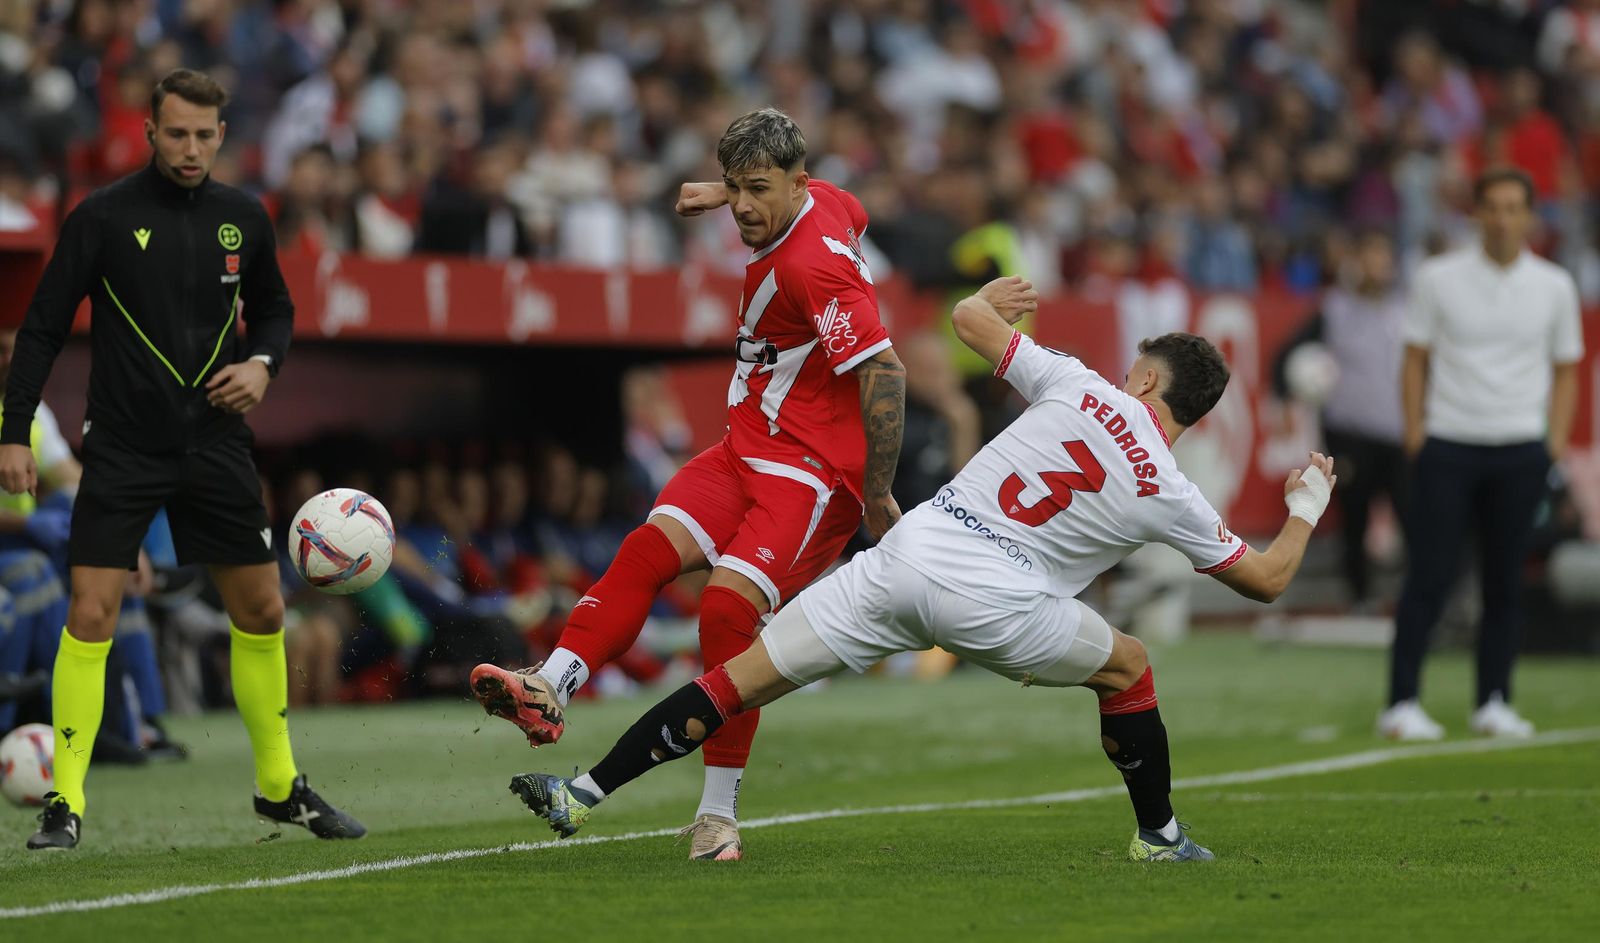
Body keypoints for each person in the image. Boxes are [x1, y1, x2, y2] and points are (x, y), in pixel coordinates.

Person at [504, 276, 1336, 863]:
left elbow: (968, 324)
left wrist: (990, 302)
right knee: (1129, 665)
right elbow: (1265, 580)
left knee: (738, 679)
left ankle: (582, 791)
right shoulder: (1173, 491)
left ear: (1146, 377)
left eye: (1135, 371)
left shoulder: (1078, 385)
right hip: (1003, 605)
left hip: (909, 553)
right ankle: (1159, 837)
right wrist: (1305, 505)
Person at [470, 108, 905, 861]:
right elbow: (839, 200)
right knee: (646, 551)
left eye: (756, 190)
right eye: (736, 187)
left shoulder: (814, 266)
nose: (741, 206)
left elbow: (885, 372)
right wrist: (724, 187)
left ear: (796, 184)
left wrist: (877, 494)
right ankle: (551, 686)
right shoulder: (825, 200)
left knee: (726, 612)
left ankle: (717, 815)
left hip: (811, 476)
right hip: (747, 445)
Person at [0, 68, 362, 849]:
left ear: (222, 136)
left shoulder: (245, 218)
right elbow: (39, 330)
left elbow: (275, 309)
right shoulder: (100, 217)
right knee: (91, 612)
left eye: (205, 135)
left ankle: (279, 788)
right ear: (151, 132)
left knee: (263, 609)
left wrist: (263, 364)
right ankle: (66, 801)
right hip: (123, 447)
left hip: (216, 441)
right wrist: (12, 429)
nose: (191, 148)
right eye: (177, 134)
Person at [1381, 168, 1583, 742]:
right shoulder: (1438, 278)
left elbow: (1568, 369)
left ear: (1529, 216)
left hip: (1520, 448)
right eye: (1491, 207)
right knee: (1430, 575)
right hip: (1449, 444)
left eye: (1513, 207)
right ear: (1477, 215)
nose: (1501, 218)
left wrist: (1554, 442)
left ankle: (1493, 701)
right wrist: (1416, 434)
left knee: (1505, 581)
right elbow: (1415, 358)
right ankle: (1400, 702)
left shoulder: (1554, 286)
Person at [1272, 230, 1407, 607]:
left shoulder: (1405, 311)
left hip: (1397, 432)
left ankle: (1418, 601)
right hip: (1350, 431)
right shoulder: (1335, 309)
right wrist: (1285, 399)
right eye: (1369, 257)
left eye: (1383, 258)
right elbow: (1286, 356)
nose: (1377, 267)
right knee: (1355, 517)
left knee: (1413, 515)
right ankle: (1360, 597)